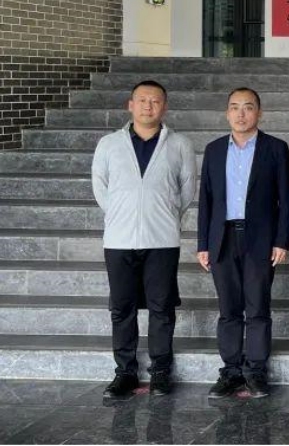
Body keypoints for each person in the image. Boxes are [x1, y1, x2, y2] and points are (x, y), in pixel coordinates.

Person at [91, 80, 196, 399]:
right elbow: (100, 187)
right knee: (122, 308)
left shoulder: (180, 144)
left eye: (155, 101)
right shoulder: (109, 144)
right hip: (119, 240)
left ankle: (160, 371)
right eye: (142, 100)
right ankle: (125, 372)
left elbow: (187, 190)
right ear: (130, 105)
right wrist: (122, 213)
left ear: (164, 107)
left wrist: (162, 215)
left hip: (162, 240)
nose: (148, 106)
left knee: (161, 307)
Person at [197, 87, 289, 399]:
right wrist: (203, 243)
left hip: (260, 240)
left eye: (248, 107)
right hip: (222, 238)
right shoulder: (214, 150)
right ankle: (231, 371)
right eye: (235, 107)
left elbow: (286, 199)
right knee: (228, 309)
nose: (241, 113)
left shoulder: (275, 148)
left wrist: (282, 240)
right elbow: (206, 199)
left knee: (257, 308)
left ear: (259, 113)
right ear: (227, 113)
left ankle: (256, 372)